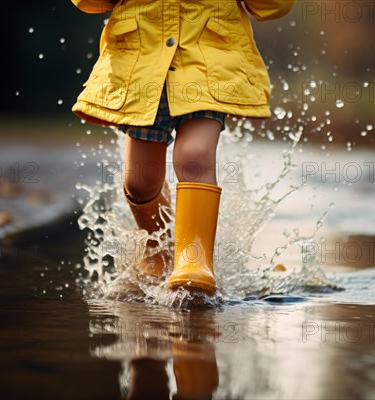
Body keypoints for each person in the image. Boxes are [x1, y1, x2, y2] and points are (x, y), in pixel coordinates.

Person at [71, 0, 295, 295]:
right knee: (139, 182)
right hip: (142, 65)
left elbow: (273, 6)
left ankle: (195, 257)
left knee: (195, 155)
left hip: (209, 63)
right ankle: (159, 252)